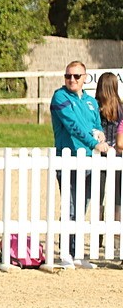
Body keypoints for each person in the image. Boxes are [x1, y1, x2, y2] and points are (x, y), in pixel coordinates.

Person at [50, 60, 108, 269]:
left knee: (81, 208)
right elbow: (72, 125)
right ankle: (66, 253)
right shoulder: (60, 97)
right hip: (69, 160)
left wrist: (100, 134)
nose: (71, 80)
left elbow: (96, 125)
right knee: (71, 207)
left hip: (89, 161)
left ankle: (76, 254)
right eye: (68, 76)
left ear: (85, 78)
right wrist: (94, 143)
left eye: (76, 76)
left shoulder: (91, 102)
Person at [93, 71, 122, 259]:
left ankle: (98, 238)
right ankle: (117, 241)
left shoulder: (95, 107)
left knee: (98, 198)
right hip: (118, 156)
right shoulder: (121, 108)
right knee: (117, 199)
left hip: (99, 154)